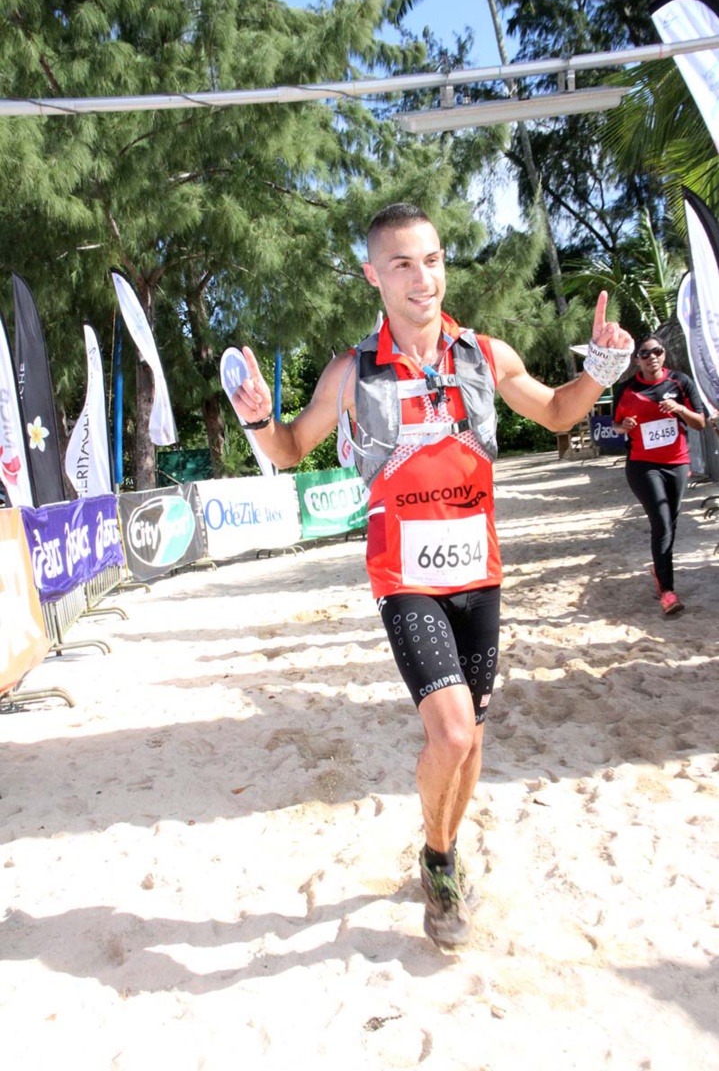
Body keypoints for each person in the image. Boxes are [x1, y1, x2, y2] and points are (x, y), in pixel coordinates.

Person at [230, 203, 633, 951]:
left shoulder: (483, 352)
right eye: (404, 264)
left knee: (471, 741)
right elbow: (289, 449)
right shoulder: (353, 371)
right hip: (402, 574)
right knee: (448, 731)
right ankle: (438, 851)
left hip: (478, 571)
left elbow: (555, 413)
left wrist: (599, 370)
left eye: (434, 259)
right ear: (372, 275)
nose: (424, 278)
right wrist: (259, 420)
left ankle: (439, 853)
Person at [613, 336, 705, 615]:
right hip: (643, 465)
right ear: (637, 359)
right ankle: (667, 591)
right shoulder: (626, 389)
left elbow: (700, 423)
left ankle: (659, 569)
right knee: (662, 523)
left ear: (663, 355)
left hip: (676, 463)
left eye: (657, 351)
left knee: (670, 523)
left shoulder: (680, 382)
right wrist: (624, 426)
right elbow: (615, 426)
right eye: (645, 353)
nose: (651, 356)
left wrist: (679, 409)